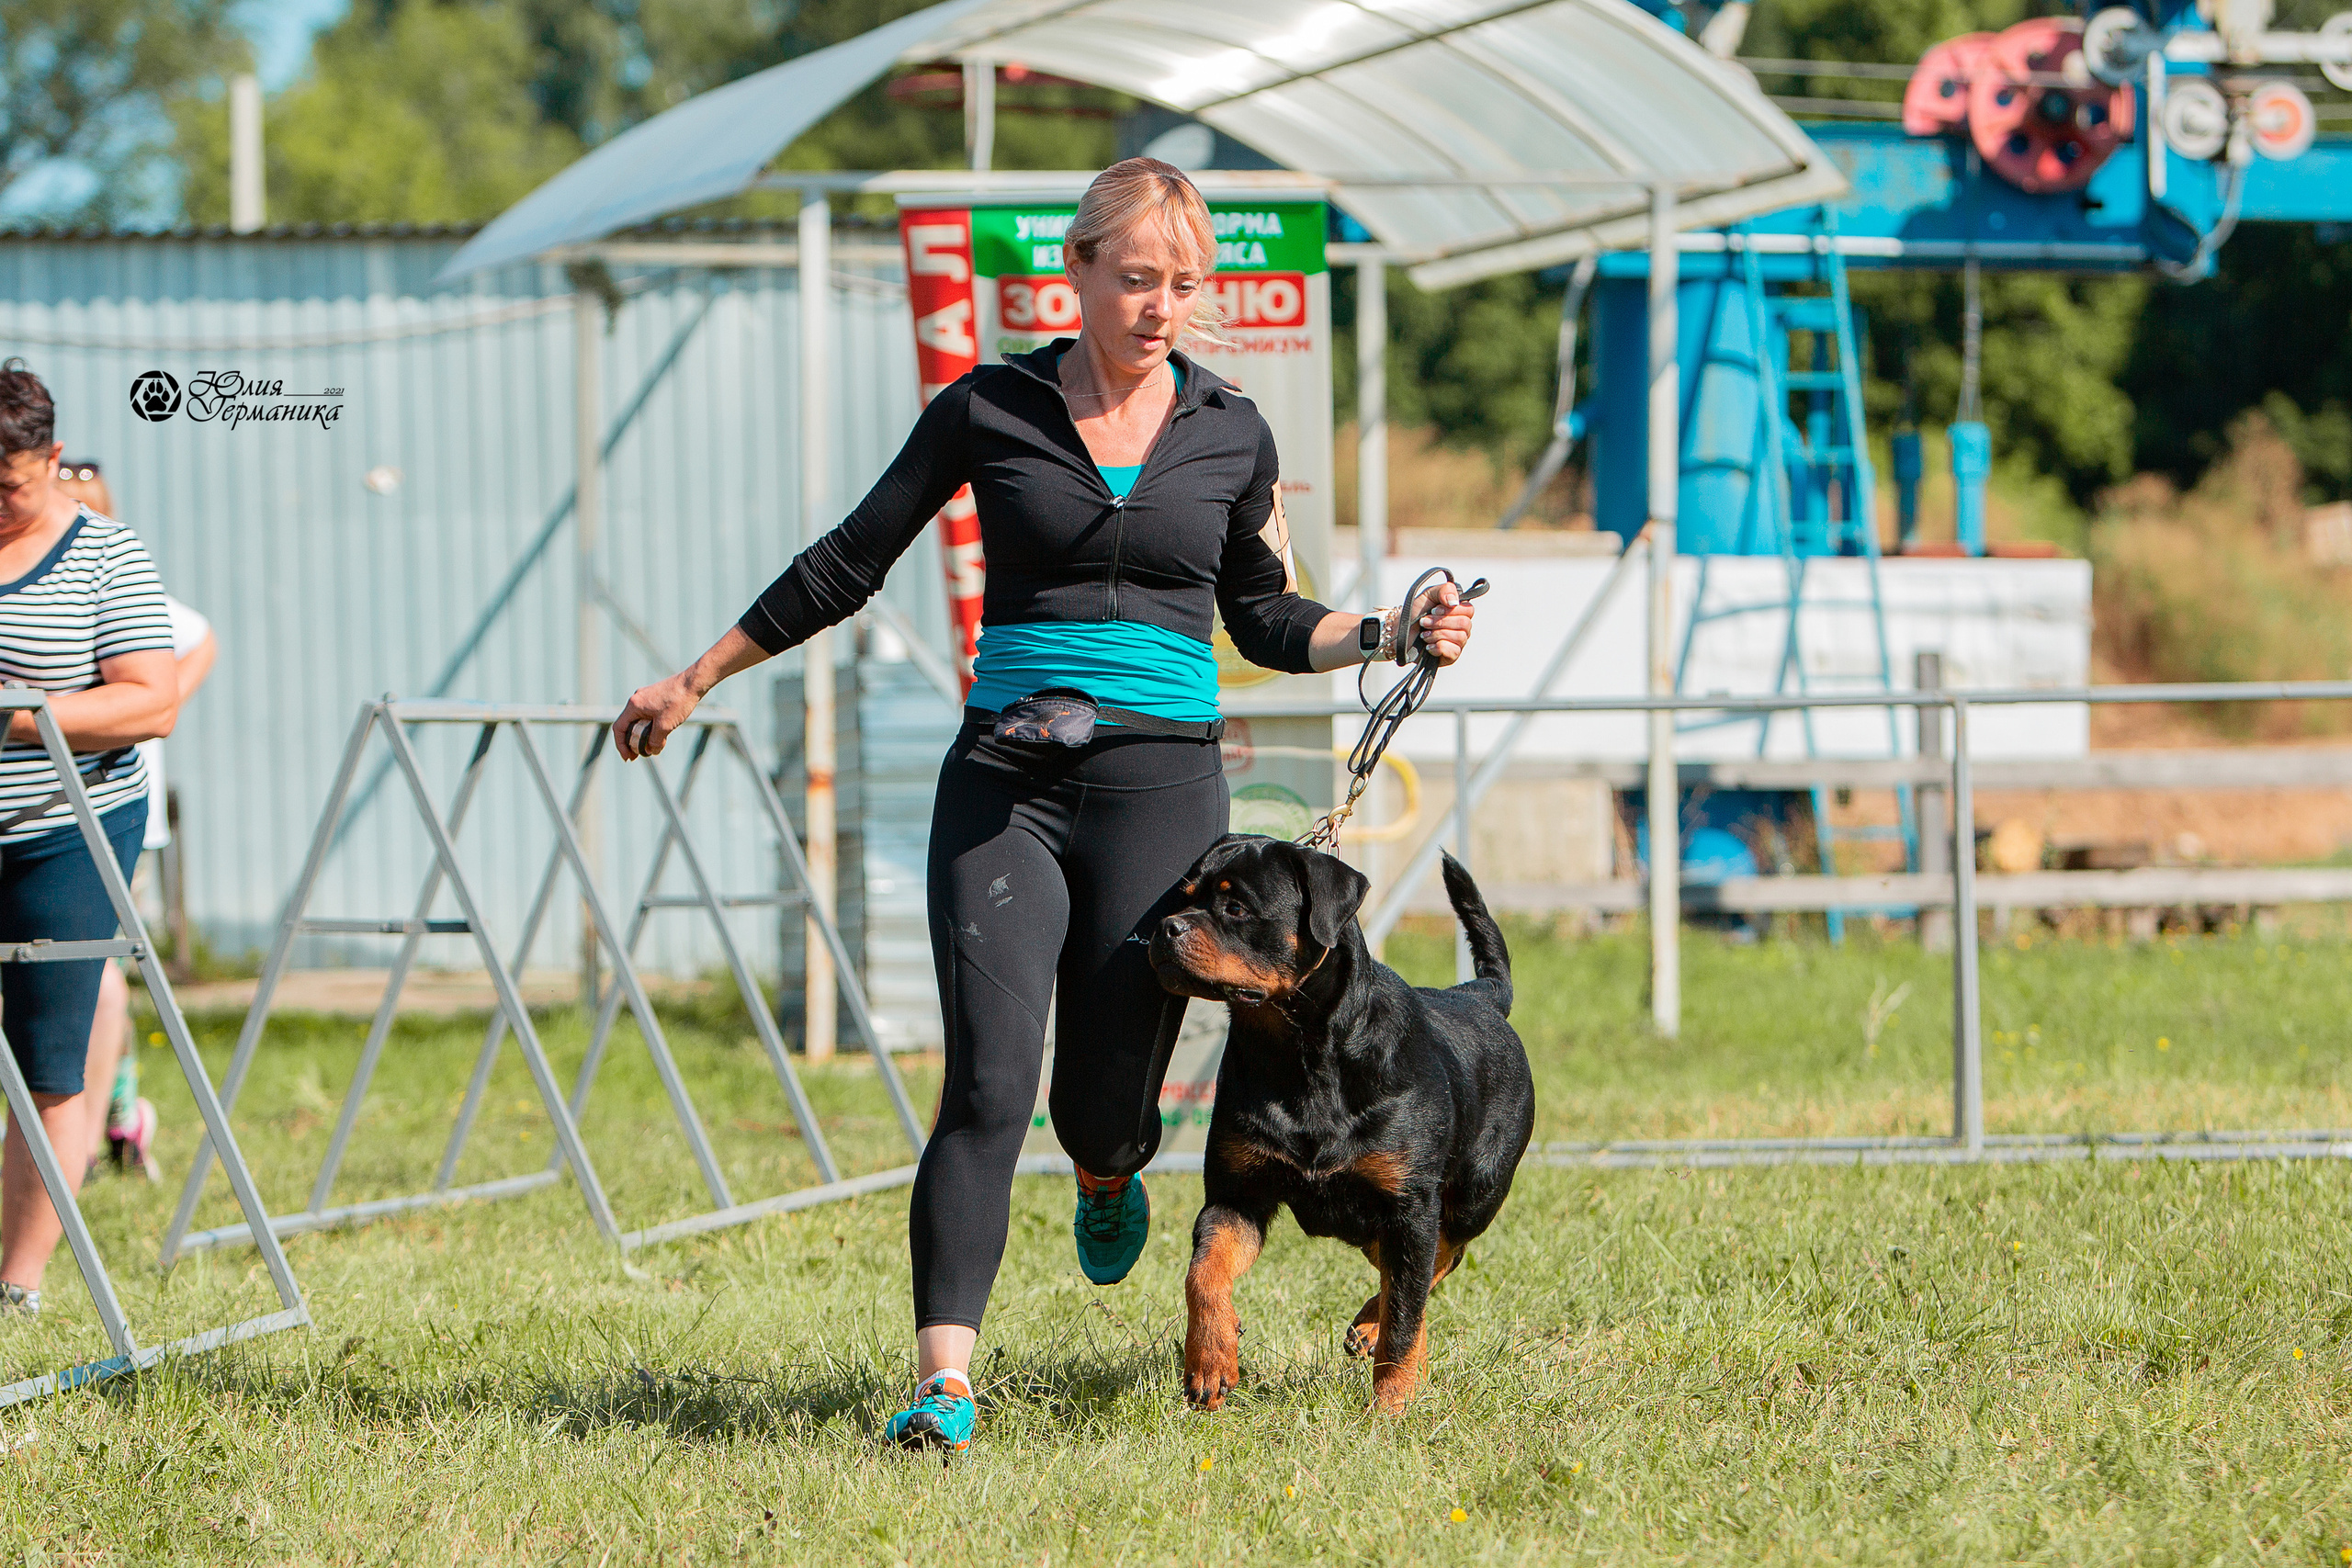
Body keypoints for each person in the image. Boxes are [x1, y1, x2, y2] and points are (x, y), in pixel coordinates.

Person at [612, 159, 1476, 1450]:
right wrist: (696, 675)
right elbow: (850, 560)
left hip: (1162, 793)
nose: (1159, 305)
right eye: (1135, 278)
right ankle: (944, 1383)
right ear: (1075, 271)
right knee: (985, 1084)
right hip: (1005, 787)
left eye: (1182, 283)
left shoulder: (1231, 429)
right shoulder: (988, 407)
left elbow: (1260, 614)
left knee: (1107, 1112)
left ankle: (1105, 1169)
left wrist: (1390, 631)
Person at [0, 365, 177, 1316]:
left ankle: (15, 1285)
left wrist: (19, 719)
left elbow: (152, 701)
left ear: (53, 457)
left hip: (67, 828)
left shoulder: (108, 554)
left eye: (9, 487)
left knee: (48, 1063)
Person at [52, 459, 216, 1180]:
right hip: (39, 809)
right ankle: (118, 1108)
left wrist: (154, 702)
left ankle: (87, 1139)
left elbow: (198, 637)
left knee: (96, 970)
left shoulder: (113, 574)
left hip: (115, 808)